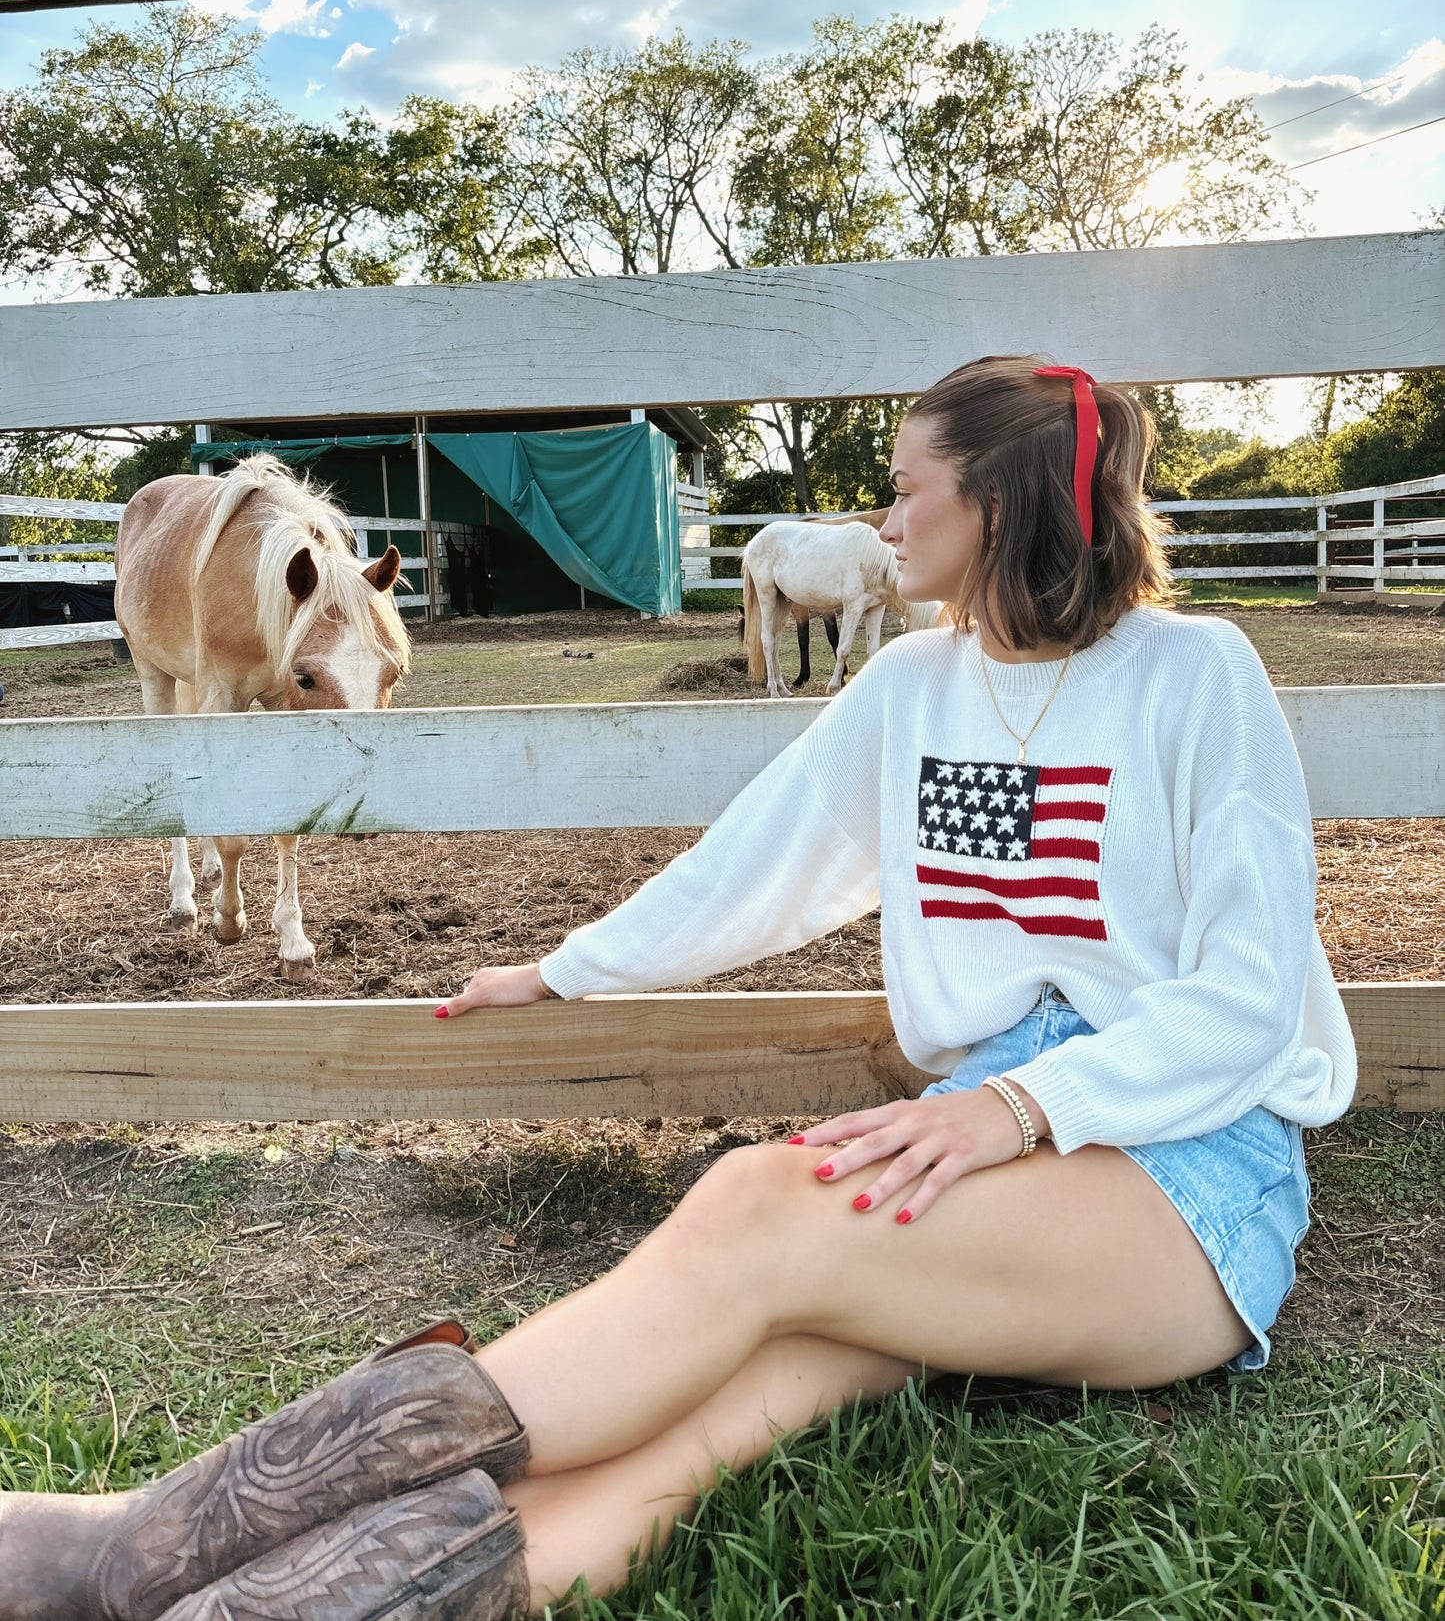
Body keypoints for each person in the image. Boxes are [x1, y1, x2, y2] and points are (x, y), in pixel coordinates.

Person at [1, 355, 1358, 1621]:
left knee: (757, 1200)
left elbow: (1244, 1001)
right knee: (732, 1400)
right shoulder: (910, 684)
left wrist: (1011, 1108)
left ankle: (134, 1542)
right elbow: (761, 867)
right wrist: (561, 969)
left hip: (1183, 1168)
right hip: (975, 1161)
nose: (882, 520)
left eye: (905, 487)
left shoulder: (1196, 673)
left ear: (995, 505)